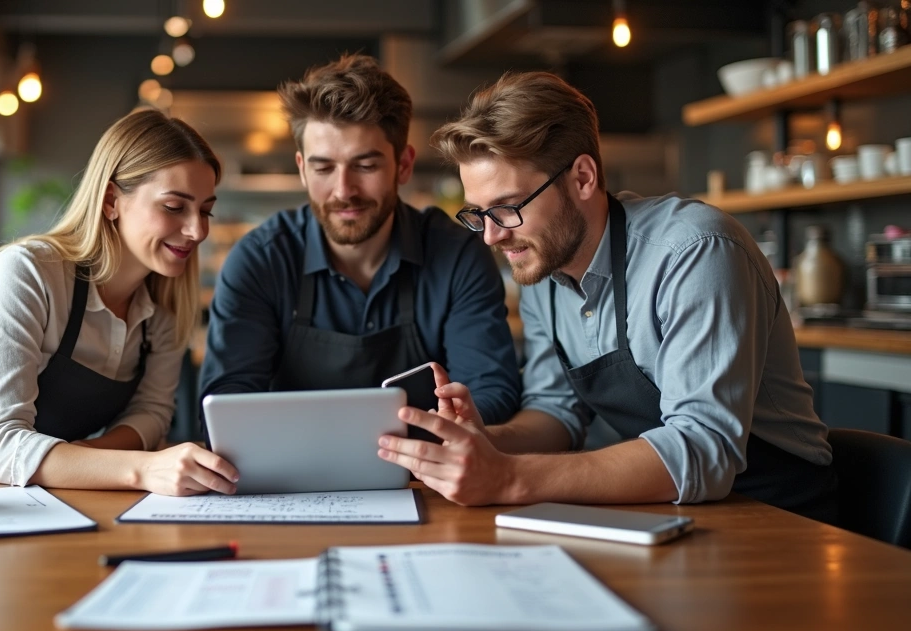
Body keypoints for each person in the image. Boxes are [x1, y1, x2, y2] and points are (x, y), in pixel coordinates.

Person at [377, 71, 836, 523]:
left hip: (782, 513)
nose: (492, 236)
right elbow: (556, 413)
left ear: (582, 177)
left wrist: (510, 477)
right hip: (680, 510)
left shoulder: (695, 253)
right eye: (479, 214)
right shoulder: (542, 268)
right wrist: (486, 443)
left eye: (508, 208)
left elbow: (703, 450)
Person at [0, 109, 239, 496]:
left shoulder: (164, 308)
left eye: (206, 211)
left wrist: (83, 461)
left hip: (50, 498)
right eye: (174, 207)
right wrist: (141, 469)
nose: (197, 230)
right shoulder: (28, 274)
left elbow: (151, 413)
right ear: (110, 201)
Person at [199, 54, 520, 439]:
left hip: (424, 479)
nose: (343, 191)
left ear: (403, 165)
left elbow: (491, 393)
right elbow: (226, 403)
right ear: (302, 168)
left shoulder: (457, 255)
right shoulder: (260, 259)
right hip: (293, 481)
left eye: (365, 166)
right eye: (323, 169)